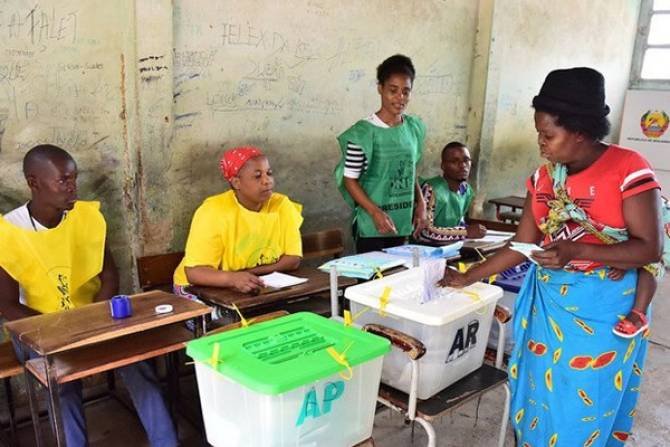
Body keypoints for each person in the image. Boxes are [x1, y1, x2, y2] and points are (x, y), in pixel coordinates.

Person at [440, 68, 663, 446]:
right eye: (538, 133)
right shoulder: (543, 179)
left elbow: (648, 248)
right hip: (550, 312)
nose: (541, 143)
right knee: (539, 399)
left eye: (549, 135)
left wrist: (577, 250)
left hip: (604, 315)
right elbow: (520, 244)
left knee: (583, 408)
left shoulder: (627, 169)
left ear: (580, 130)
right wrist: (469, 276)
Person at [0, 145, 177, 447]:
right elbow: (6, 305)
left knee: (136, 362)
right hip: (37, 329)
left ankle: (166, 442)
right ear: (34, 183)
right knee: (61, 383)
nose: (73, 188)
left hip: (93, 318)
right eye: (63, 181)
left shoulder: (87, 217)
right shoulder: (8, 232)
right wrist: (57, 330)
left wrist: (95, 318)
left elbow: (108, 274)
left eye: (74, 179)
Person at [173, 146, 303, 302]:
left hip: (253, 285)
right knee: (223, 321)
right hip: (197, 288)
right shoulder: (213, 212)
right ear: (236, 182)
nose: (267, 181)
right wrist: (232, 278)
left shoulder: (282, 205)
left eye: (269, 173)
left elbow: (293, 259)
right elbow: (194, 273)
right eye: (257, 176)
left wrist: (251, 274)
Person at [334, 54, 427, 253]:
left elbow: (410, 171)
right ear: (380, 89)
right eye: (393, 91)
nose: (400, 98)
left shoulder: (413, 128)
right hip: (372, 226)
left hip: (402, 221)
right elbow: (350, 180)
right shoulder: (363, 133)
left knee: (399, 280)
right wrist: (375, 212)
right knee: (373, 282)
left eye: (406, 91)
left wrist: (421, 204)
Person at [417, 141, 486, 244]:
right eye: (454, 161)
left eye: (466, 160)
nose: (463, 165)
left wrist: (470, 230)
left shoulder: (466, 190)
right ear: (443, 166)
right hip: (425, 250)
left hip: (450, 247)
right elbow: (424, 232)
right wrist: (465, 232)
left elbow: (459, 224)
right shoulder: (432, 189)